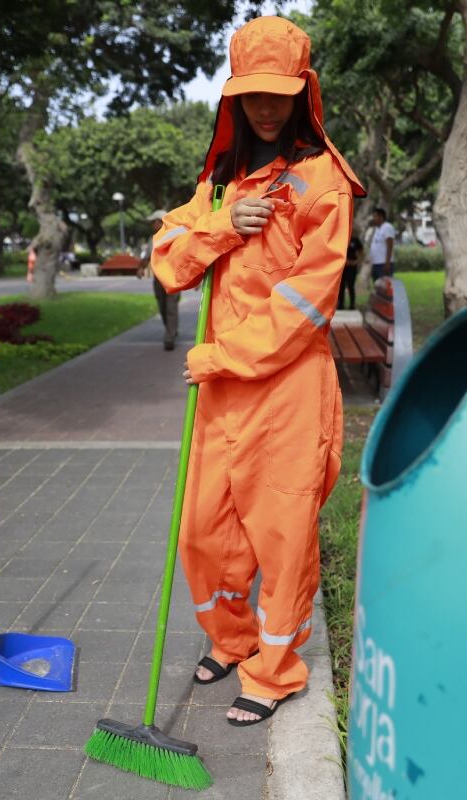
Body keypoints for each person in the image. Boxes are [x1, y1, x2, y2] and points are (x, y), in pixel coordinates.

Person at [150, 15, 365, 726]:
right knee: (204, 532)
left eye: (279, 93)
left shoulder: (321, 184)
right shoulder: (220, 180)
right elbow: (170, 259)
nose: (267, 107)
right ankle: (234, 640)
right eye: (253, 95)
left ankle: (276, 669)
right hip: (221, 396)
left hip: (286, 390)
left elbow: (307, 304)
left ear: (303, 92)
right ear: (234, 98)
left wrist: (220, 355)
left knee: (283, 533)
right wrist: (221, 223)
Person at [137, 210, 179, 350]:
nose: (151, 224)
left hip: (173, 278)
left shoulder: (176, 234)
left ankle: (170, 337)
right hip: (158, 279)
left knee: (171, 308)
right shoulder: (153, 238)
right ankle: (171, 330)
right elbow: (147, 256)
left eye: (153, 222)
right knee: (162, 307)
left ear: (160, 221)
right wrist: (140, 268)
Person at [368, 207, 395, 280]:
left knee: (385, 287)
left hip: (383, 263)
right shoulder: (376, 229)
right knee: (378, 288)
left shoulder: (387, 227)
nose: (373, 218)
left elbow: (390, 246)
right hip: (376, 263)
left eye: (375, 216)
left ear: (381, 217)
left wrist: (387, 263)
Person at [339, 233, 363, 310]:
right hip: (342, 266)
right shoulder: (341, 237)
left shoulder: (355, 240)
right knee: (341, 286)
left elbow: (361, 251)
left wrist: (356, 261)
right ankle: (340, 304)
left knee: (350, 285)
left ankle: (352, 304)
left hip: (352, 267)